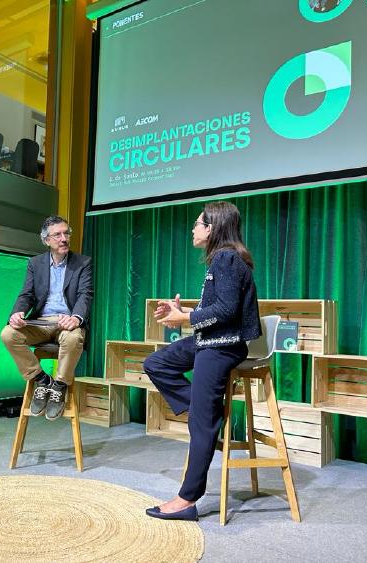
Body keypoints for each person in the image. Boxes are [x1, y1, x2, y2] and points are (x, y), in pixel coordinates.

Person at [143, 201, 261, 520]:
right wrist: (183, 312)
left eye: (198, 224)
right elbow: (220, 307)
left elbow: (226, 312)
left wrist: (186, 317)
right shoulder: (222, 260)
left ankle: (187, 499)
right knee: (155, 364)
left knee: (201, 426)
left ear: (211, 228)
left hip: (223, 347)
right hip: (209, 340)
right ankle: (202, 410)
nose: (193, 229)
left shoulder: (226, 258)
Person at [0, 215, 93, 421]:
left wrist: (76, 318)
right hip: (40, 322)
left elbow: (85, 294)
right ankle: (41, 379)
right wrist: (17, 313)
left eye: (66, 233)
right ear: (46, 240)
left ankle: (59, 386)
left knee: (72, 338)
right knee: (8, 334)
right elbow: (27, 294)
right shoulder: (35, 263)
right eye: (57, 235)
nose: (63, 238)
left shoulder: (83, 263)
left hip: (66, 323)